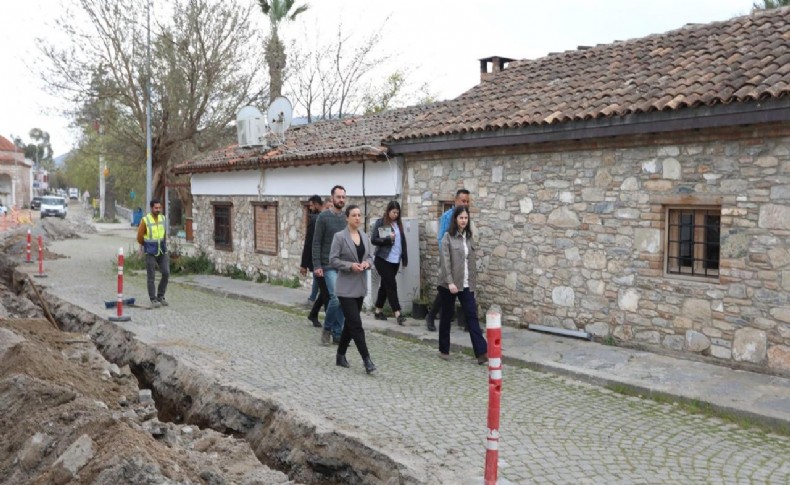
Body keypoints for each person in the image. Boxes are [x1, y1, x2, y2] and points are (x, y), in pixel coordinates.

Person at [329, 205, 376, 373]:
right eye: (354, 215)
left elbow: (371, 257)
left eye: (359, 215)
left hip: (360, 287)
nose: (357, 218)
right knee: (356, 324)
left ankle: (340, 355)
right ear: (347, 218)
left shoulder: (364, 236)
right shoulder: (340, 237)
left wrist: (366, 264)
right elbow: (333, 260)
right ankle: (367, 360)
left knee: (350, 323)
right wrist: (350, 266)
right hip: (345, 288)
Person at [438, 205, 487, 364]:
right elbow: (445, 262)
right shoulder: (448, 237)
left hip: (466, 284)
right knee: (447, 316)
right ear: (456, 219)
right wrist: (450, 282)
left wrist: (473, 283)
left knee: (472, 316)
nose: (464, 220)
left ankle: (481, 352)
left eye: (466, 218)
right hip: (449, 284)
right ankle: (444, 349)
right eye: (461, 218)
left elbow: (470, 262)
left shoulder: (469, 237)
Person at [426, 189, 471, 331]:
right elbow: (441, 238)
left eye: (467, 201)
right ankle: (431, 316)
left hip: (462, 259)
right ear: (456, 201)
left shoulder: (465, 216)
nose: (466, 203)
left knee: (465, 289)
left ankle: (468, 323)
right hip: (449, 259)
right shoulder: (447, 216)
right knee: (446, 289)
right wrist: (447, 259)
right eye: (463, 201)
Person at [312, 185, 348, 345]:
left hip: (343, 265)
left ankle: (338, 333)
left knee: (343, 299)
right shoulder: (323, 217)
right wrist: (316, 265)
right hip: (327, 264)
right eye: (338, 197)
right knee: (335, 297)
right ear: (332, 198)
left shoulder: (346, 218)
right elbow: (316, 242)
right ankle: (327, 329)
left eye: (343, 197)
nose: (341, 200)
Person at [371, 201, 408, 325]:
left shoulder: (399, 224)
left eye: (397, 213)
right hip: (382, 259)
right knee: (392, 285)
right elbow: (374, 239)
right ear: (388, 211)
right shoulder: (381, 223)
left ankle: (377, 311)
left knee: (385, 286)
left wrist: (405, 258)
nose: (395, 215)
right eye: (393, 212)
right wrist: (388, 239)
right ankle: (397, 313)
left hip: (395, 260)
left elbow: (403, 242)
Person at [136, 198, 170, 308]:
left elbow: (164, 234)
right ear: (151, 208)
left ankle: (160, 296)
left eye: (159, 207)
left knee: (166, 273)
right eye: (156, 208)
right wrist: (141, 247)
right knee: (151, 276)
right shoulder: (145, 220)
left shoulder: (163, 218)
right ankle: (153, 299)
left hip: (162, 250)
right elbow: (140, 236)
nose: (158, 209)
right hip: (150, 251)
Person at [301, 195, 327, 327]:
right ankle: (330, 322)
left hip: (326, 261)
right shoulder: (314, 220)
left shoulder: (324, 218)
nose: (310, 208)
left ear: (317, 204)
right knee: (326, 291)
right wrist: (304, 264)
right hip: (319, 262)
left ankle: (313, 312)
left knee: (325, 291)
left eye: (311, 205)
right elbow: (309, 243)